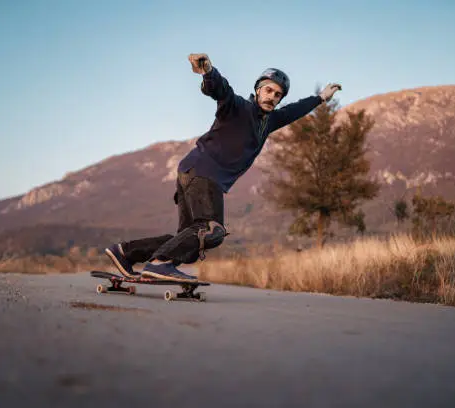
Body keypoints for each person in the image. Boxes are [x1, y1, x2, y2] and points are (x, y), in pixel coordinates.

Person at [105, 53, 342, 282]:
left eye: (278, 95)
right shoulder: (237, 106)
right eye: (268, 90)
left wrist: (321, 97)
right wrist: (208, 70)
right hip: (205, 172)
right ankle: (160, 264)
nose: (272, 97)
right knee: (211, 229)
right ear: (258, 90)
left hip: (192, 171)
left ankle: (126, 253)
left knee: (188, 240)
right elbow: (220, 89)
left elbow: (294, 111)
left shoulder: (268, 122)